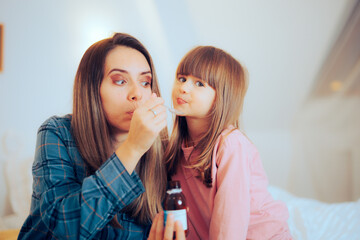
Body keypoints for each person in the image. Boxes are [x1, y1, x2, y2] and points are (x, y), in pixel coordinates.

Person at [19, 33, 185, 240]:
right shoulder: (57, 132)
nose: (137, 94)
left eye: (145, 82)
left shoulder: (162, 149)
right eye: (120, 80)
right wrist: (132, 149)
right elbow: (63, 228)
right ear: (91, 89)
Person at [165, 46, 292, 239]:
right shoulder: (176, 145)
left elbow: (229, 225)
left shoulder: (231, 144)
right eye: (182, 79)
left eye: (199, 84)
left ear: (221, 98)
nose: (183, 87)